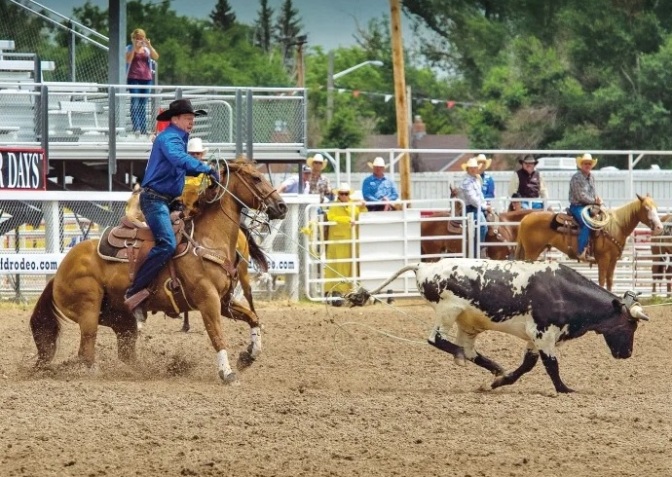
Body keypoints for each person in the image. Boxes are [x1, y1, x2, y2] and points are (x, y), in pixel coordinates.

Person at [124, 99, 218, 322]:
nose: (191, 123)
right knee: (167, 242)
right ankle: (135, 292)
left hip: (169, 201)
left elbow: (178, 166)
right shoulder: (169, 139)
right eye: (188, 118)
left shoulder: (177, 139)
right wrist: (206, 168)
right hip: (155, 200)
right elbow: (179, 159)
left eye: (193, 119)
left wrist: (205, 172)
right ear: (175, 119)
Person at [324, 183, 367, 304]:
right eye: (341, 193)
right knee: (336, 268)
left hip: (351, 242)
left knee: (351, 268)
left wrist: (363, 206)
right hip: (337, 242)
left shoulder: (354, 205)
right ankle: (335, 293)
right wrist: (347, 220)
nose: (343, 196)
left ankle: (351, 294)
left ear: (349, 194)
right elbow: (330, 217)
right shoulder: (334, 206)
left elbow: (363, 214)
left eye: (346, 193)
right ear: (338, 194)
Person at [125, 28, 159, 136]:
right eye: (137, 38)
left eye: (141, 38)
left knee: (143, 105)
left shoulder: (146, 49)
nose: (139, 40)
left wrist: (149, 45)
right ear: (133, 39)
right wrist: (135, 48)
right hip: (134, 78)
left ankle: (144, 129)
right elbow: (128, 60)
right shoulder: (129, 48)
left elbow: (156, 56)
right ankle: (137, 128)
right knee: (135, 103)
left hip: (146, 79)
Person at [569, 153, 602, 262]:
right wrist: (594, 201)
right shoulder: (576, 178)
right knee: (587, 223)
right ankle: (581, 251)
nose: (587, 165)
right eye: (585, 163)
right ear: (581, 165)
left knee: (601, 220)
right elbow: (580, 196)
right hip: (577, 206)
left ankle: (597, 249)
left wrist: (597, 199)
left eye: (589, 163)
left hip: (589, 206)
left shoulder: (591, 177)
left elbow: (593, 193)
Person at [459, 156, 490, 256]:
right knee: (482, 225)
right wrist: (485, 207)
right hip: (470, 208)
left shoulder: (476, 179)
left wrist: (485, 204)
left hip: (477, 207)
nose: (473, 169)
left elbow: (480, 196)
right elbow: (472, 199)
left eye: (475, 168)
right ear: (467, 169)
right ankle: (477, 250)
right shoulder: (466, 181)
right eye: (471, 168)